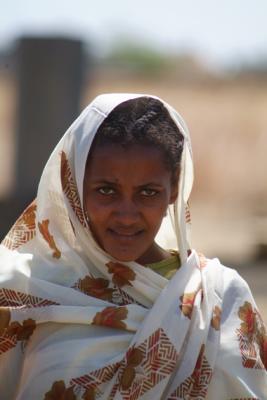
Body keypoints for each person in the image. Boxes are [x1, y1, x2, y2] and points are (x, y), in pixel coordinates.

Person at [0, 93, 266, 399]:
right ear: (74, 187)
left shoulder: (221, 298)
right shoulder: (24, 293)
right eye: (106, 190)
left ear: (175, 189)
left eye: (148, 192)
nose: (126, 214)